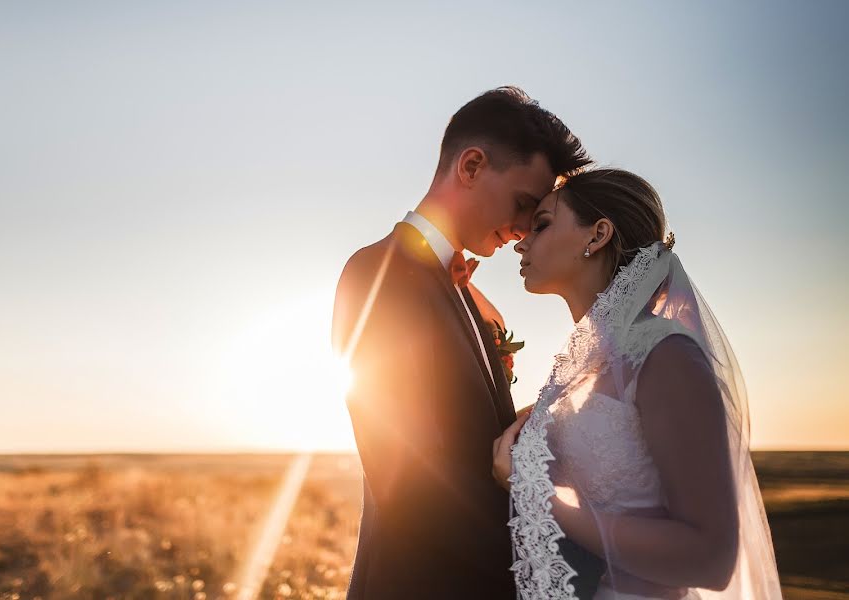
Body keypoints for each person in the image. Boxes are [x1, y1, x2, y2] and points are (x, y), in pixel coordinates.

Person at [332, 87, 605, 599]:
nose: (526, 230)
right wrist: (545, 568)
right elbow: (408, 485)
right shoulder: (377, 274)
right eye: (524, 204)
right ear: (472, 166)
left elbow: (471, 442)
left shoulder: (471, 298)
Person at [492, 168, 782, 599]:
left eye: (543, 224)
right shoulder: (582, 369)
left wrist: (536, 492)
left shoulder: (666, 355)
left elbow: (712, 558)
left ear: (598, 234)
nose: (521, 241)